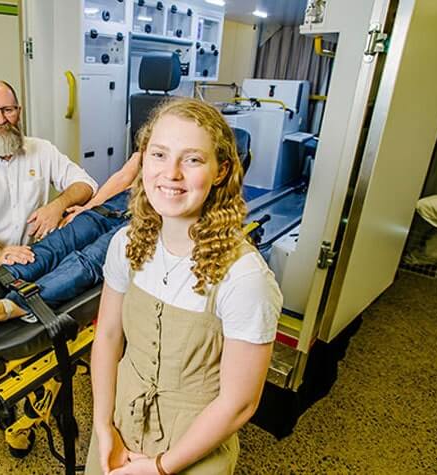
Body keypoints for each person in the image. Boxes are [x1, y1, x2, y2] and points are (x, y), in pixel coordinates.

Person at [86, 98, 282, 474]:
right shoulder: (125, 243)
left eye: (192, 159)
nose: (171, 173)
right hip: (118, 424)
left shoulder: (245, 277)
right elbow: (108, 336)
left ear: (221, 171)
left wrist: (159, 467)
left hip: (192, 446)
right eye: (159, 154)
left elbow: (239, 403)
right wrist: (103, 425)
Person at [0, 151, 142, 332]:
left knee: (89, 259)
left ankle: (4, 309)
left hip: (147, 223)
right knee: (56, 244)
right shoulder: (153, 144)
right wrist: (88, 208)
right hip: (113, 207)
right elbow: (124, 176)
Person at [0, 80, 98, 277]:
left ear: (19, 111)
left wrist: (58, 205)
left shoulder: (42, 150)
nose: (0, 119)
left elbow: (87, 184)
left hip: (30, 258)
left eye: (8, 110)